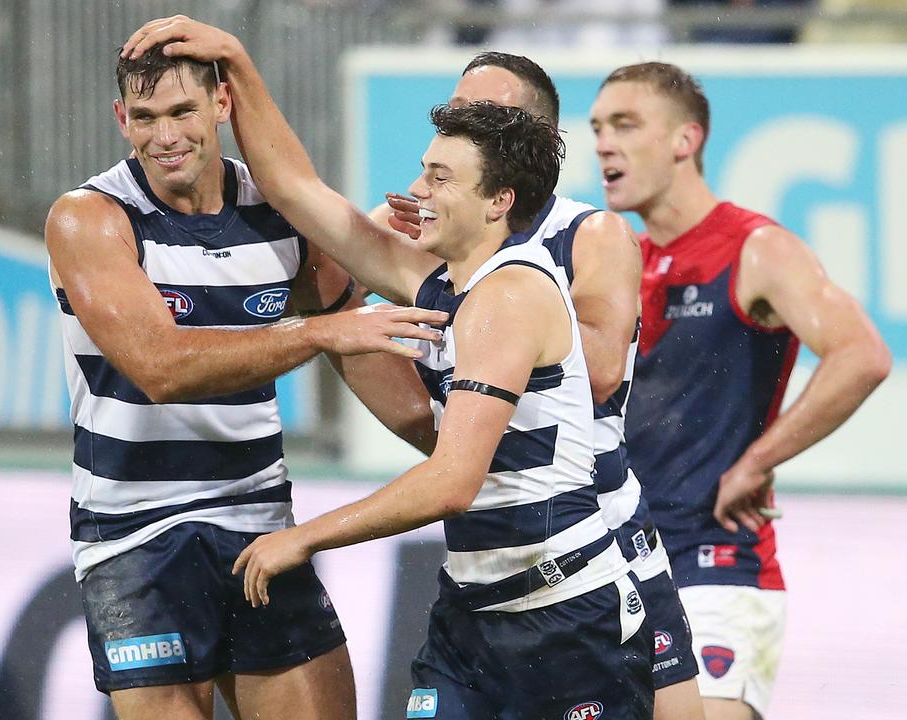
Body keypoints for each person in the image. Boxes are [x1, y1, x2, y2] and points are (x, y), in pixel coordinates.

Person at [124, 19, 654, 719]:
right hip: (472, 608)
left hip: (564, 610)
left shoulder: (512, 294)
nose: (415, 190)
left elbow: (452, 481)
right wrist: (237, 64)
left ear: (499, 201)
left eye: (440, 178)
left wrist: (304, 536)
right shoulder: (441, 280)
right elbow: (300, 193)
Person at [44, 42, 446, 720]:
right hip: (135, 540)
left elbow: (357, 343)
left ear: (222, 106)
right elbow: (160, 367)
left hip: (259, 523)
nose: (164, 137)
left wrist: (456, 450)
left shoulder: (281, 212)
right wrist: (313, 331)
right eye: (144, 117)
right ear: (120, 118)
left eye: (182, 111)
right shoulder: (89, 218)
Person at [376, 52, 704, 720]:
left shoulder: (570, 243)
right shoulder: (450, 264)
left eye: (485, 115)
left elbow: (602, 374)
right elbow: (322, 226)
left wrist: (511, 313)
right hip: (482, 586)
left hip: (598, 554)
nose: (466, 124)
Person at [590, 62, 891, 720]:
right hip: (610, 566)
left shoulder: (755, 247)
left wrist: (759, 460)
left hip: (715, 561)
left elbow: (862, 355)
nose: (602, 143)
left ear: (685, 140)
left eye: (624, 124)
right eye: (597, 128)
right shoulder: (618, 261)